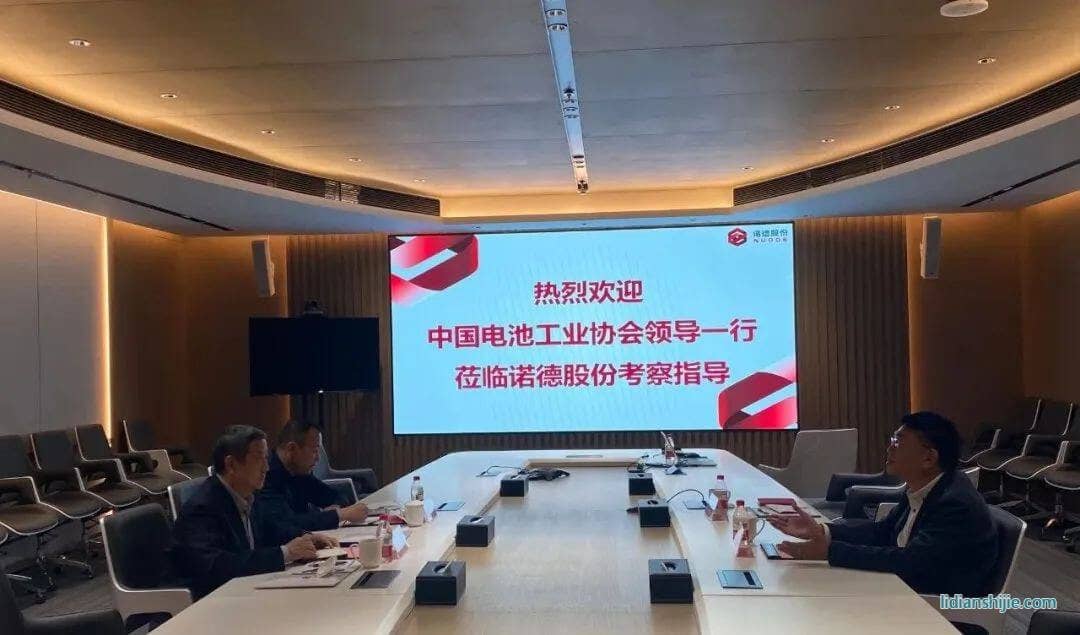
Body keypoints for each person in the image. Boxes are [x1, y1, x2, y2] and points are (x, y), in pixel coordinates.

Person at [767, 411, 998, 597]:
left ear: (928, 458)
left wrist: (829, 552)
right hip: (902, 588)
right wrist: (822, 531)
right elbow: (883, 532)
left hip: (935, 608)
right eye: (892, 440)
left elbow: (911, 563)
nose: (890, 448)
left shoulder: (954, 503)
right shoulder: (925, 486)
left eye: (899, 442)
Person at [171, 425, 338, 599]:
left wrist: (306, 537)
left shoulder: (248, 494)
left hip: (242, 591)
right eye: (259, 458)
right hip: (208, 601)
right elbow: (217, 566)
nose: (266, 467)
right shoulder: (202, 508)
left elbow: (271, 529)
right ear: (231, 464)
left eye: (266, 458)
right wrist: (286, 553)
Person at [257, 420, 370, 531]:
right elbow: (286, 524)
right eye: (314, 451)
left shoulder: (299, 472)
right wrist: (338, 515)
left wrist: (335, 508)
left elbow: (336, 496)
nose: (318, 458)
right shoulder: (267, 476)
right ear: (292, 449)